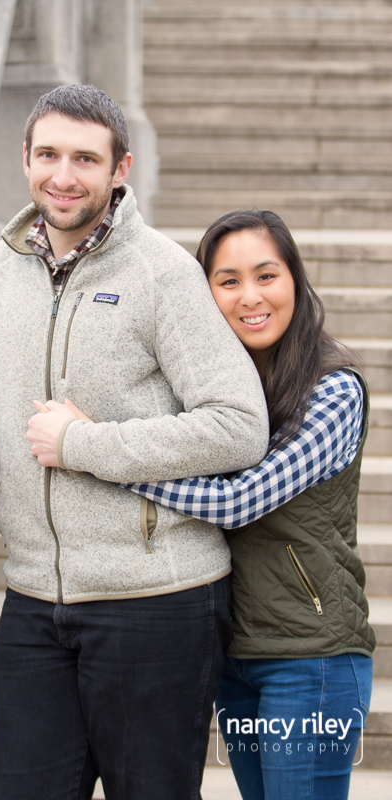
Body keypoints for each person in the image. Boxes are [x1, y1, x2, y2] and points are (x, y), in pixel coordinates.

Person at [0, 86, 269, 800]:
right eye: (47, 155)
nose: (62, 176)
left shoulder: (163, 273)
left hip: (157, 602)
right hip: (35, 602)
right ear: (25, 158)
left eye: (84, 158)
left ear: (119, 168)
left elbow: (237, 422)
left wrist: (85, 445)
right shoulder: (4, 267)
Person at [114, 210, 375, 800]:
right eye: (227, 281)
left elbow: (239, 501)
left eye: (266, 275)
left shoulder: (334, 389)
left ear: (296, 281)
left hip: (313, 657)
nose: (249, 296)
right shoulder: (222, 388)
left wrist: (103, 456)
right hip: (237, 652)